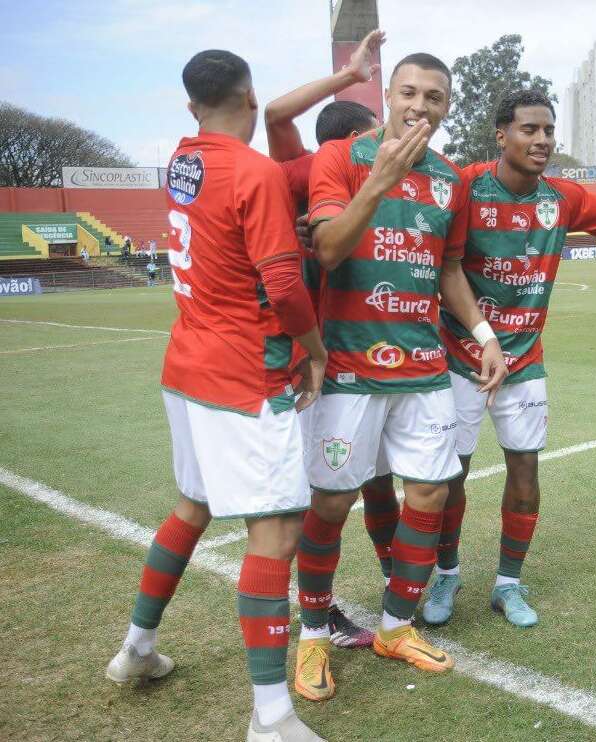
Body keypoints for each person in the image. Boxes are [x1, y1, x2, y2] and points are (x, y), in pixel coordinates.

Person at [104, 49, 328, 742]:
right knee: (278, 530)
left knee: (194, 506)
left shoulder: (182, 161)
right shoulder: (253, 172)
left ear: (191, 104)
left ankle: (136, 652)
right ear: (251, 96)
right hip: (244, 374)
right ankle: (271, 719)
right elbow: (285, 287)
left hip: (188, 365)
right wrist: (316, 351)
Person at [292, 52, 507, 701]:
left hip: (422, 365)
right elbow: (327, 247)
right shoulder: (341, 159)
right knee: (330, 502)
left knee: (430, 497)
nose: (421, 106)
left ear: (446, 107)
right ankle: (312, 637)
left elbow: (448, 271)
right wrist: (378, 180)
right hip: (348, 366)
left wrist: (485, 334)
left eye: (434, 97)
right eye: (409, 93)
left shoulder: (450, 180)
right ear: (388, 95)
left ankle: (393, 626)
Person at [421, 90, 596, 628]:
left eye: (548, 131)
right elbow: (442, 265)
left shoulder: (561, 198)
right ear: (502, 136)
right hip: (460, 355)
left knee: (525, 468)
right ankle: (446, 572)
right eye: (529, 130)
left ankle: (508, 584)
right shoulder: (466, 187)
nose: (541, 140)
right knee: (451, 476)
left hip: (524, 359)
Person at [264, 30, 384, 651]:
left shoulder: (311, 171)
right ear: (356, 138)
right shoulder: (312, 170)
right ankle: (312, 616)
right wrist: (350, 73)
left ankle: (336, 604)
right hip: (316, 358)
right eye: (377, 134)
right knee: (321, 492)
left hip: (342, 354)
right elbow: (276, 113)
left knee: (349, 485)